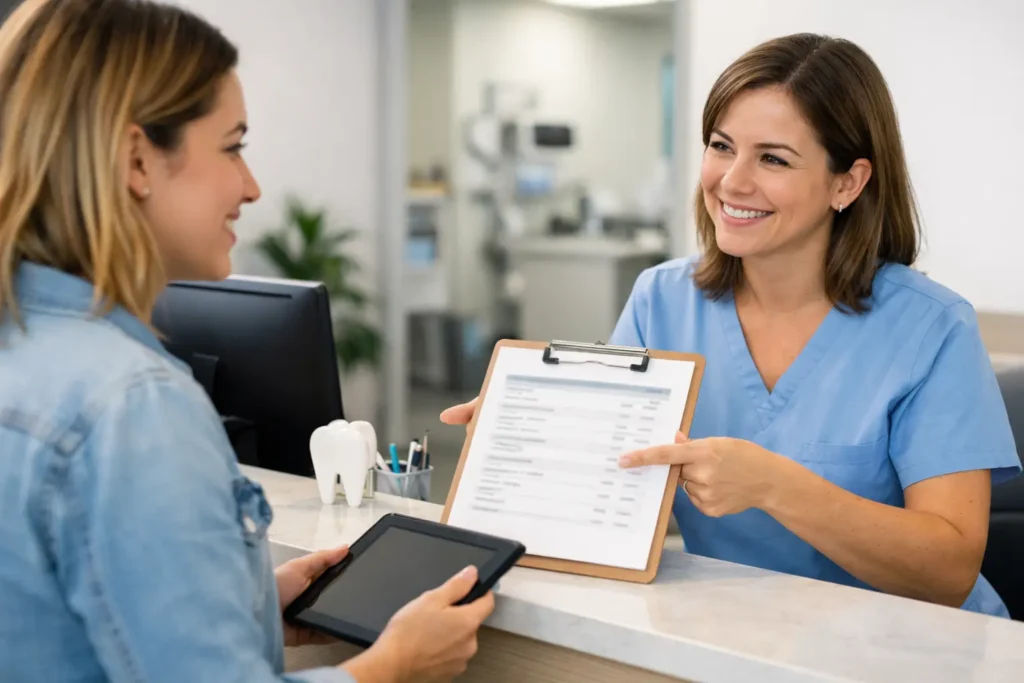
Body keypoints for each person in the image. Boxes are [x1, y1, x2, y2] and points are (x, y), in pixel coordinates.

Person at [443, 33, 1022, 617]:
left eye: (773, 158)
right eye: (722, 146)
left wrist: (773, 484)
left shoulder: (932, 329)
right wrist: (526, 440)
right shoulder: (661, 299)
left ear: (847, 182)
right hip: (736, 633)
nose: (732, 181)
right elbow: (615, 495)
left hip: (916, 653)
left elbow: (948, 574)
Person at [0, 1, 492, 681]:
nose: (251, 186)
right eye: (233, 146)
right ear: (136, 158)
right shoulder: (134, 408)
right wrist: (390, 667)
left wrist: (250, 605)